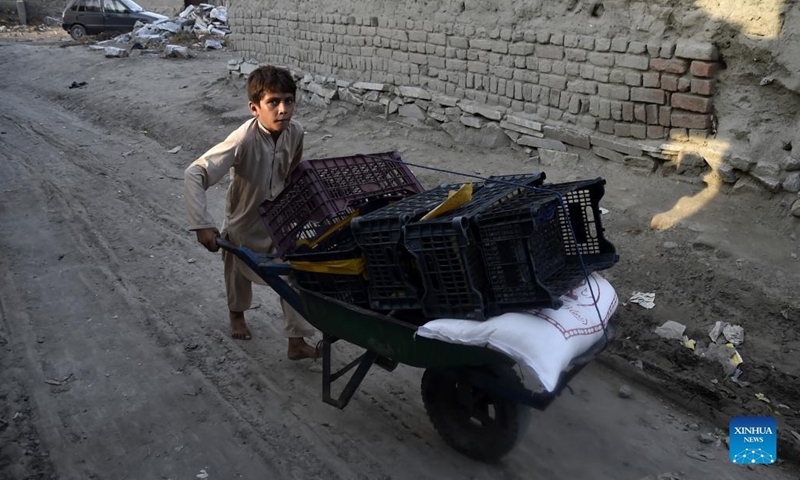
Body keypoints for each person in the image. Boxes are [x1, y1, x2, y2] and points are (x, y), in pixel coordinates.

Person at [184, 65, 318, 360]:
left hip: (278, 221)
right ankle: (237, 316)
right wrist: (201, 224)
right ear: (255, 107)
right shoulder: (242, 140)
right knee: (237, 275)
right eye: (273, 102)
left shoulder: (295, 131)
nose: (283, 109)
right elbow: (195, 173)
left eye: (289, 101)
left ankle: (296, 342)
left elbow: (294, 171)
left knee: (293, 275)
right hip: (243, 223)